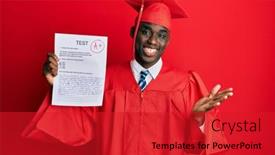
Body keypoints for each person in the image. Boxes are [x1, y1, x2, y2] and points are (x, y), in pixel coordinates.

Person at [22, 0, 233, 154]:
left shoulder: (184, 85)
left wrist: (199, 119)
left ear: (168, 41)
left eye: (161, 35)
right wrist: (58, 87)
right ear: (133, 33)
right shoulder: (106, 80)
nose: (152, 41)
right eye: (145, 31)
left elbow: (200, 146)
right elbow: (79, 127)